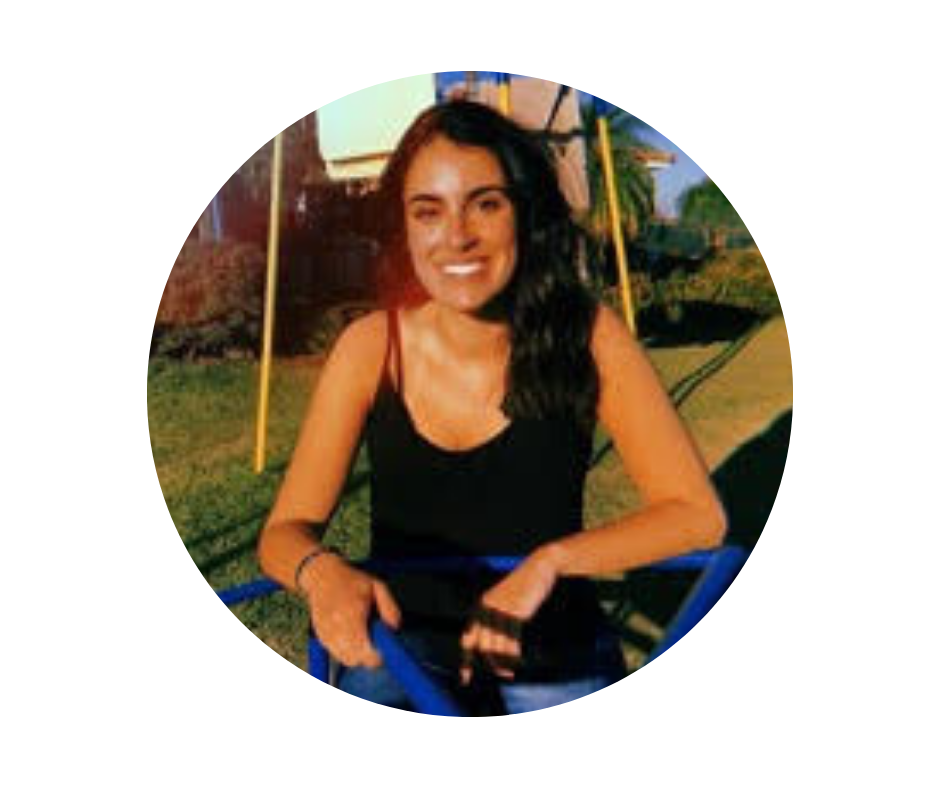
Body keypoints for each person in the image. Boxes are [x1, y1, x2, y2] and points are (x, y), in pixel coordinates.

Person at [257, 99, 727, 714]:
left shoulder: (589, 336)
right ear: (404, 227)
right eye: (428, 211)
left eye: (485, 204)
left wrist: (550, 562)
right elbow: (283, 533)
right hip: (405, 651)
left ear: (524, 213)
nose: (457, 235)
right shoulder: (370, 348)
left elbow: (697, 516)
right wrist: (321, 572)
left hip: (552, 653)